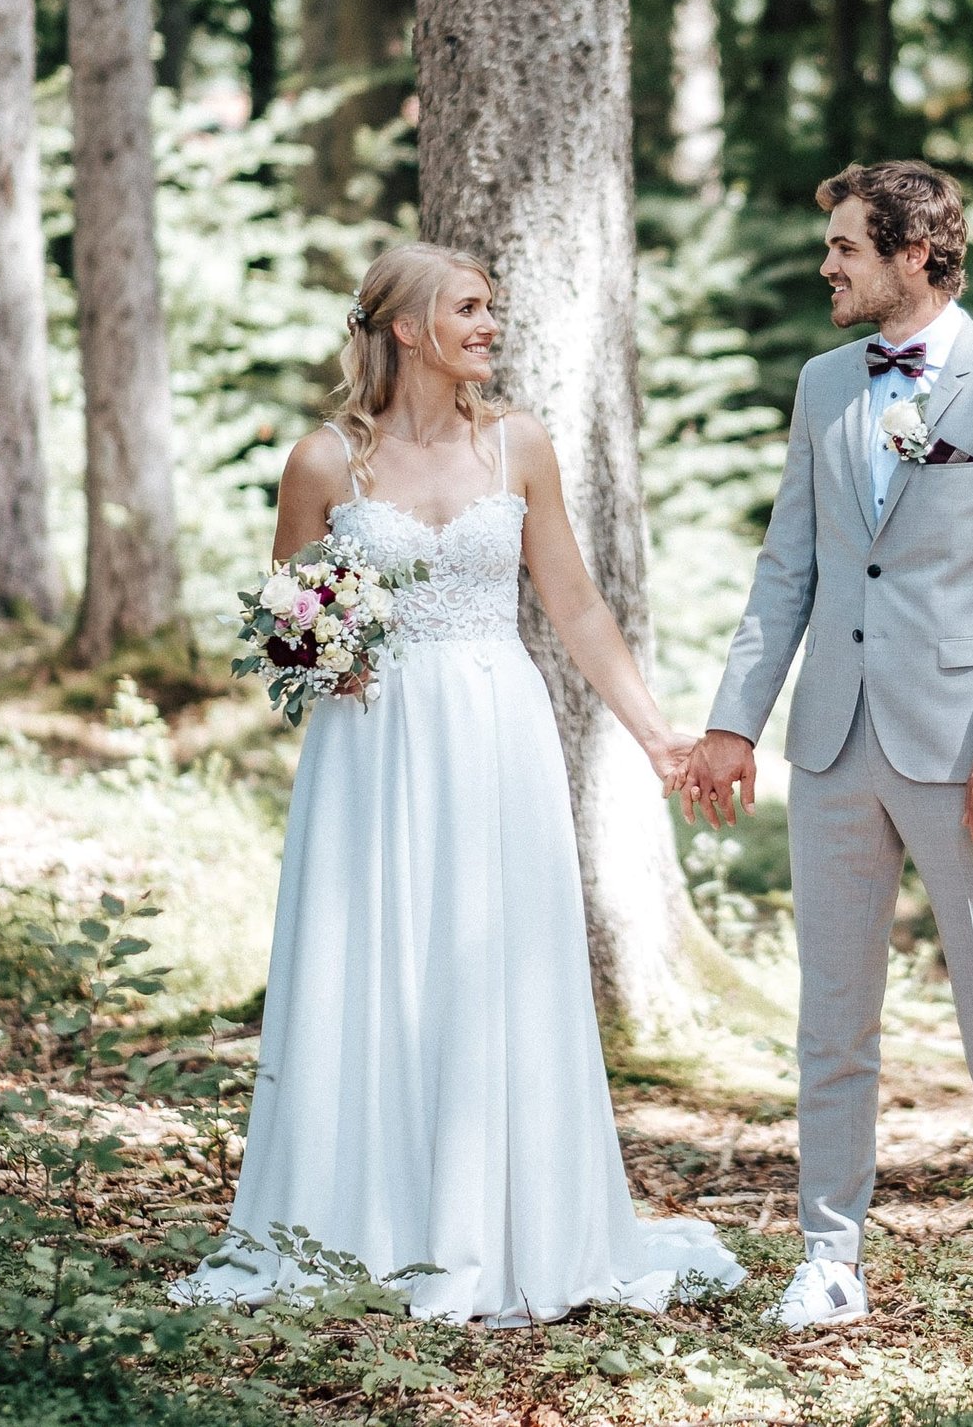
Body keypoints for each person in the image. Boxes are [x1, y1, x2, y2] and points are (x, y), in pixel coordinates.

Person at [174, 242, 743, 1325]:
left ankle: (510, 1225)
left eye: (493, 308)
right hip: (371, 745)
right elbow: (286, 621)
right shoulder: (323, 461)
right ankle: (364, 1226)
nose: (491, 325)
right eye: (470, 308)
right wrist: (322, 651)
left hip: (495, 731)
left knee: (500, 965)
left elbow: (574, 604)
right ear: (404, 326)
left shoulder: (517, 446)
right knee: (374, 964)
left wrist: (657, 735)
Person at [682, 160, 973, 1338]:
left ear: (914, 251)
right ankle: (829, 1256)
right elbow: (789, 562)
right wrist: (732, 719)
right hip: (834, 742)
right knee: (831, 1013)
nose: (828, 266)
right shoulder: (820, 384)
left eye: (847, 246)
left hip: (966, 752)